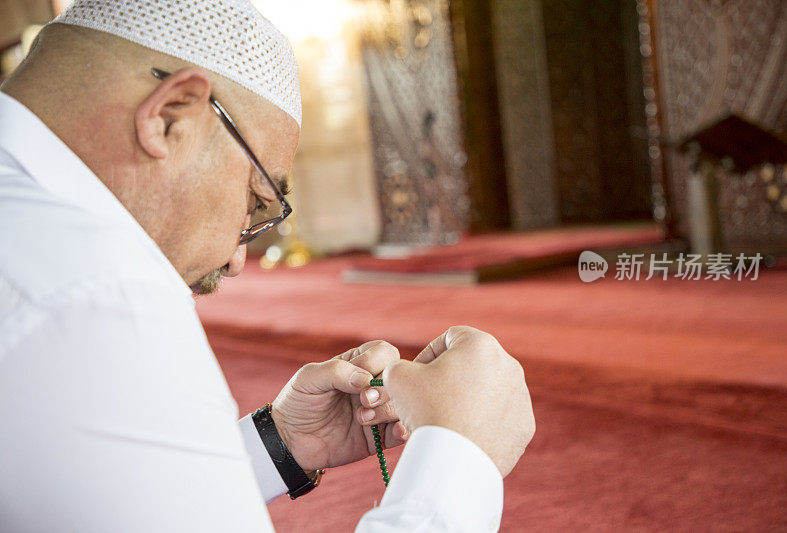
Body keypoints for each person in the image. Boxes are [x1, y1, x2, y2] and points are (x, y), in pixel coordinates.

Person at [0, 1, 535, 531]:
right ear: (170, 116)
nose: (235, 260)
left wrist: (276, 443)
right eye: (255, 203)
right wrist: (459, 452)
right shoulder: (97, 294)